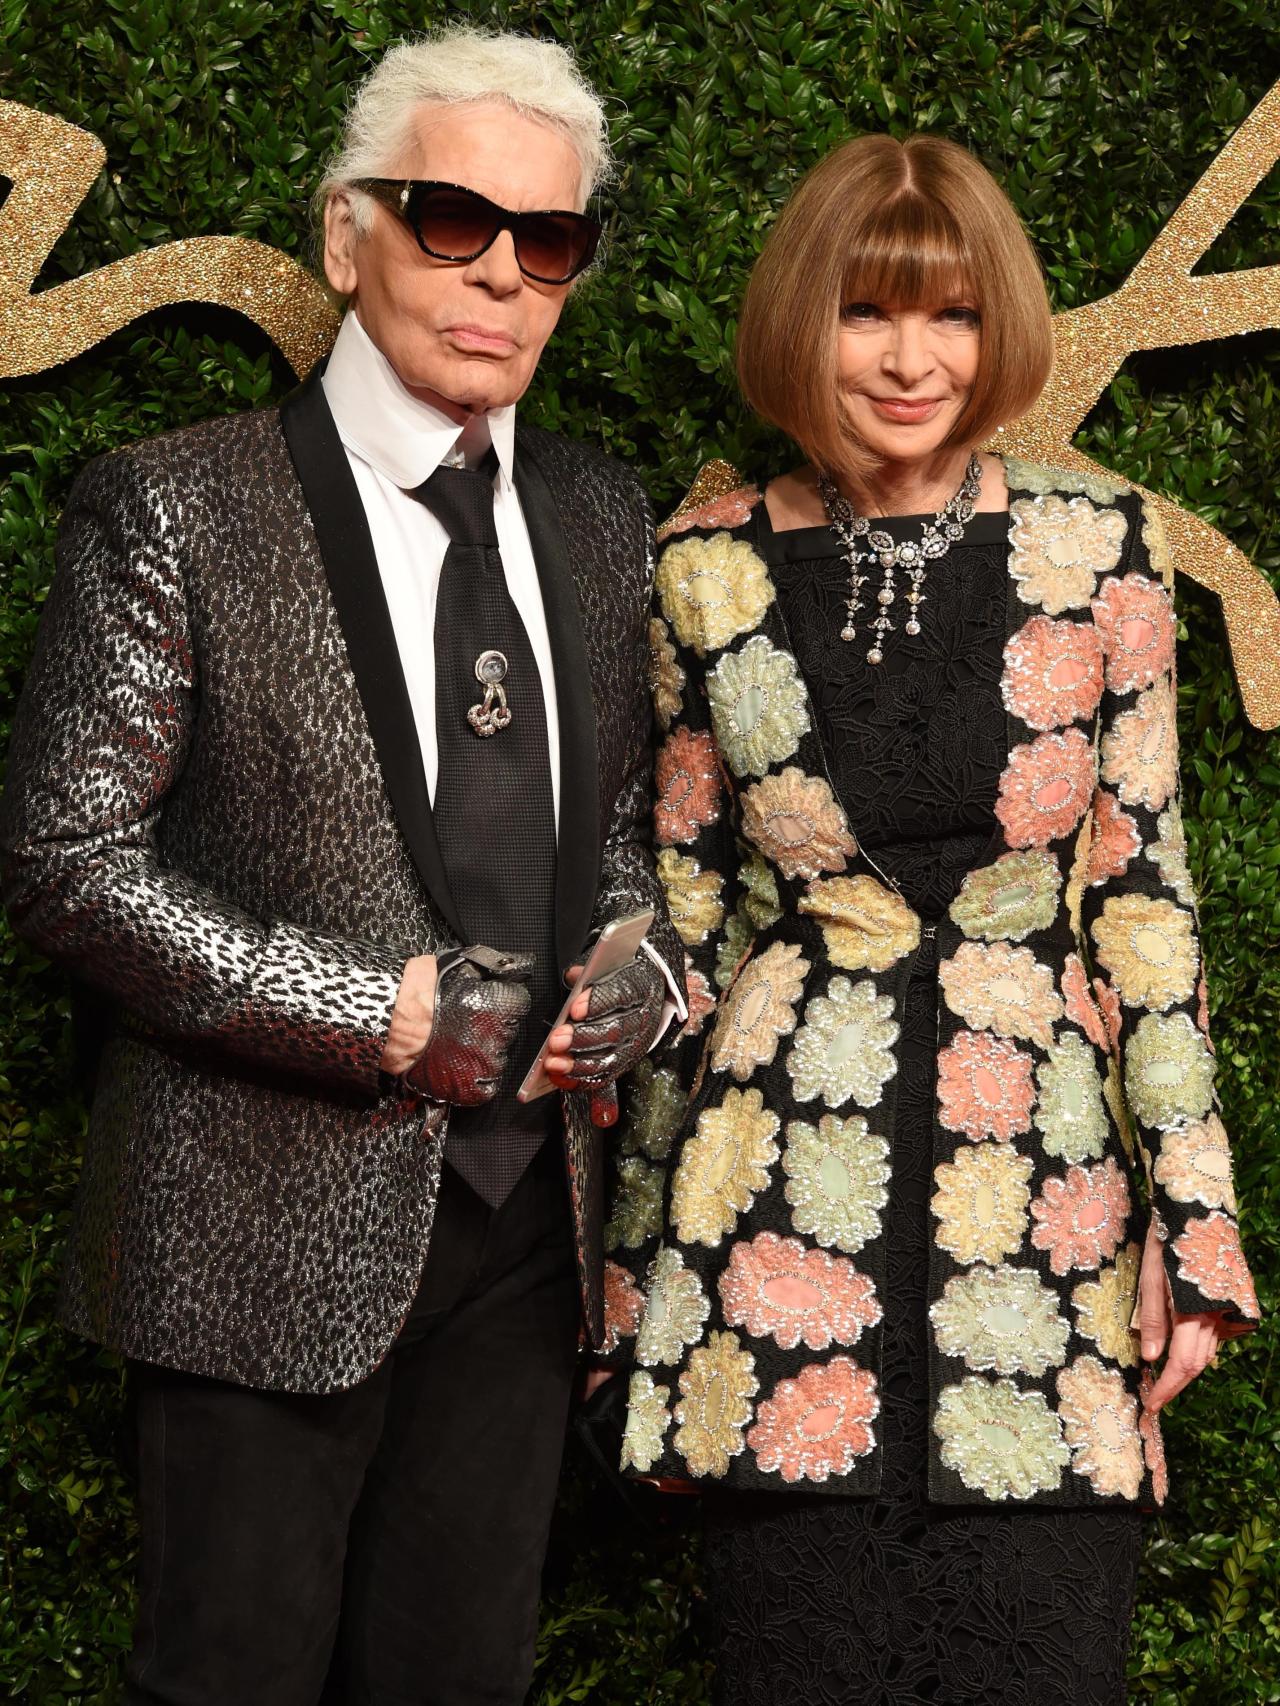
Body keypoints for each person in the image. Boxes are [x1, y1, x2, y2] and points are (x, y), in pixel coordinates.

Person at [0, 26, 686, 1706]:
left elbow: (608, 834)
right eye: (451, 218)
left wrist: (642, 967)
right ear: (343, 232)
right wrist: (367, 1011)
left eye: (548, 241)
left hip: (536, 1230)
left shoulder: (605, 517)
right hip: (257, 1225)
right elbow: (64, 852)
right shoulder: (175, 508)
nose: (501, 273)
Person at [612, 133, 1260, 1704]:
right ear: (799, 327)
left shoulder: (1102, 554)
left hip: (1040, 1218)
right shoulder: (700, 572)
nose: (912, 360)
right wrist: (631, 1282)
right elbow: (682, 915)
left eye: (953, 315)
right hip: (775, 1227)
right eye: (867, 313)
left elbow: (1144, 903)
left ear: (1000, 332)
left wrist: (1198, 1219)